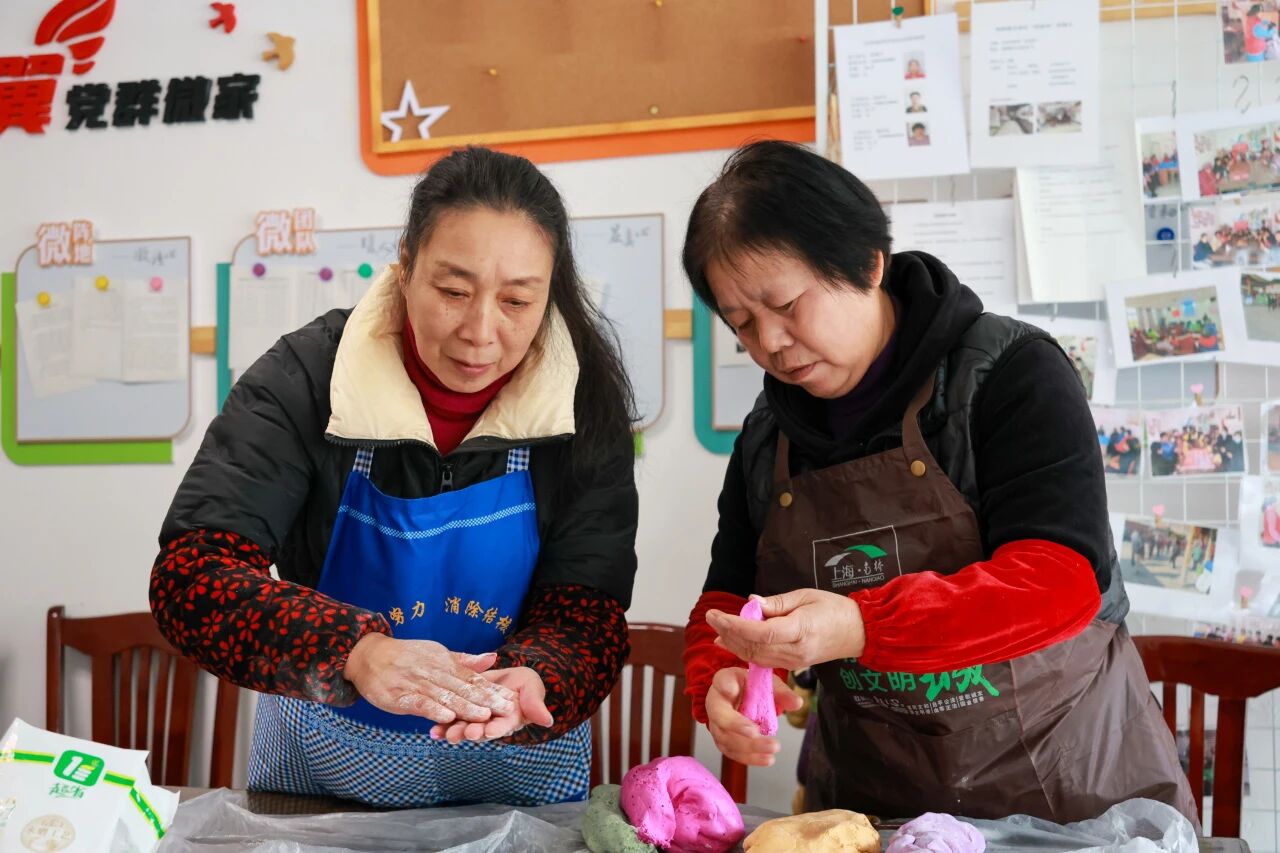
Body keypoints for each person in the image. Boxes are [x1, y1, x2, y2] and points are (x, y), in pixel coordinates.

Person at [678, 141, 1196, 824]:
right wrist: (721, 679)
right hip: (875, 812)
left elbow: (1059, 579)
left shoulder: (1010, 375)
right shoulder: (767, 438)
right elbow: (727, 599)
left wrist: (862, 623)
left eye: (786, 305)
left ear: (867, 263)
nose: (769, 343)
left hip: (1069, 794)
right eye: (742, 323)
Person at [149, 147, 640, 807]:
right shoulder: (305, 380)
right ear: (406, 265)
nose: (480, 332)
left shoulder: (581, 406)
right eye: (453, 291)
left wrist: (539, 678)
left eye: (518, 300)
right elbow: (192, 573)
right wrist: (353, 651)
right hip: (323, 770)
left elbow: (589, 611)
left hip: (513, 778)